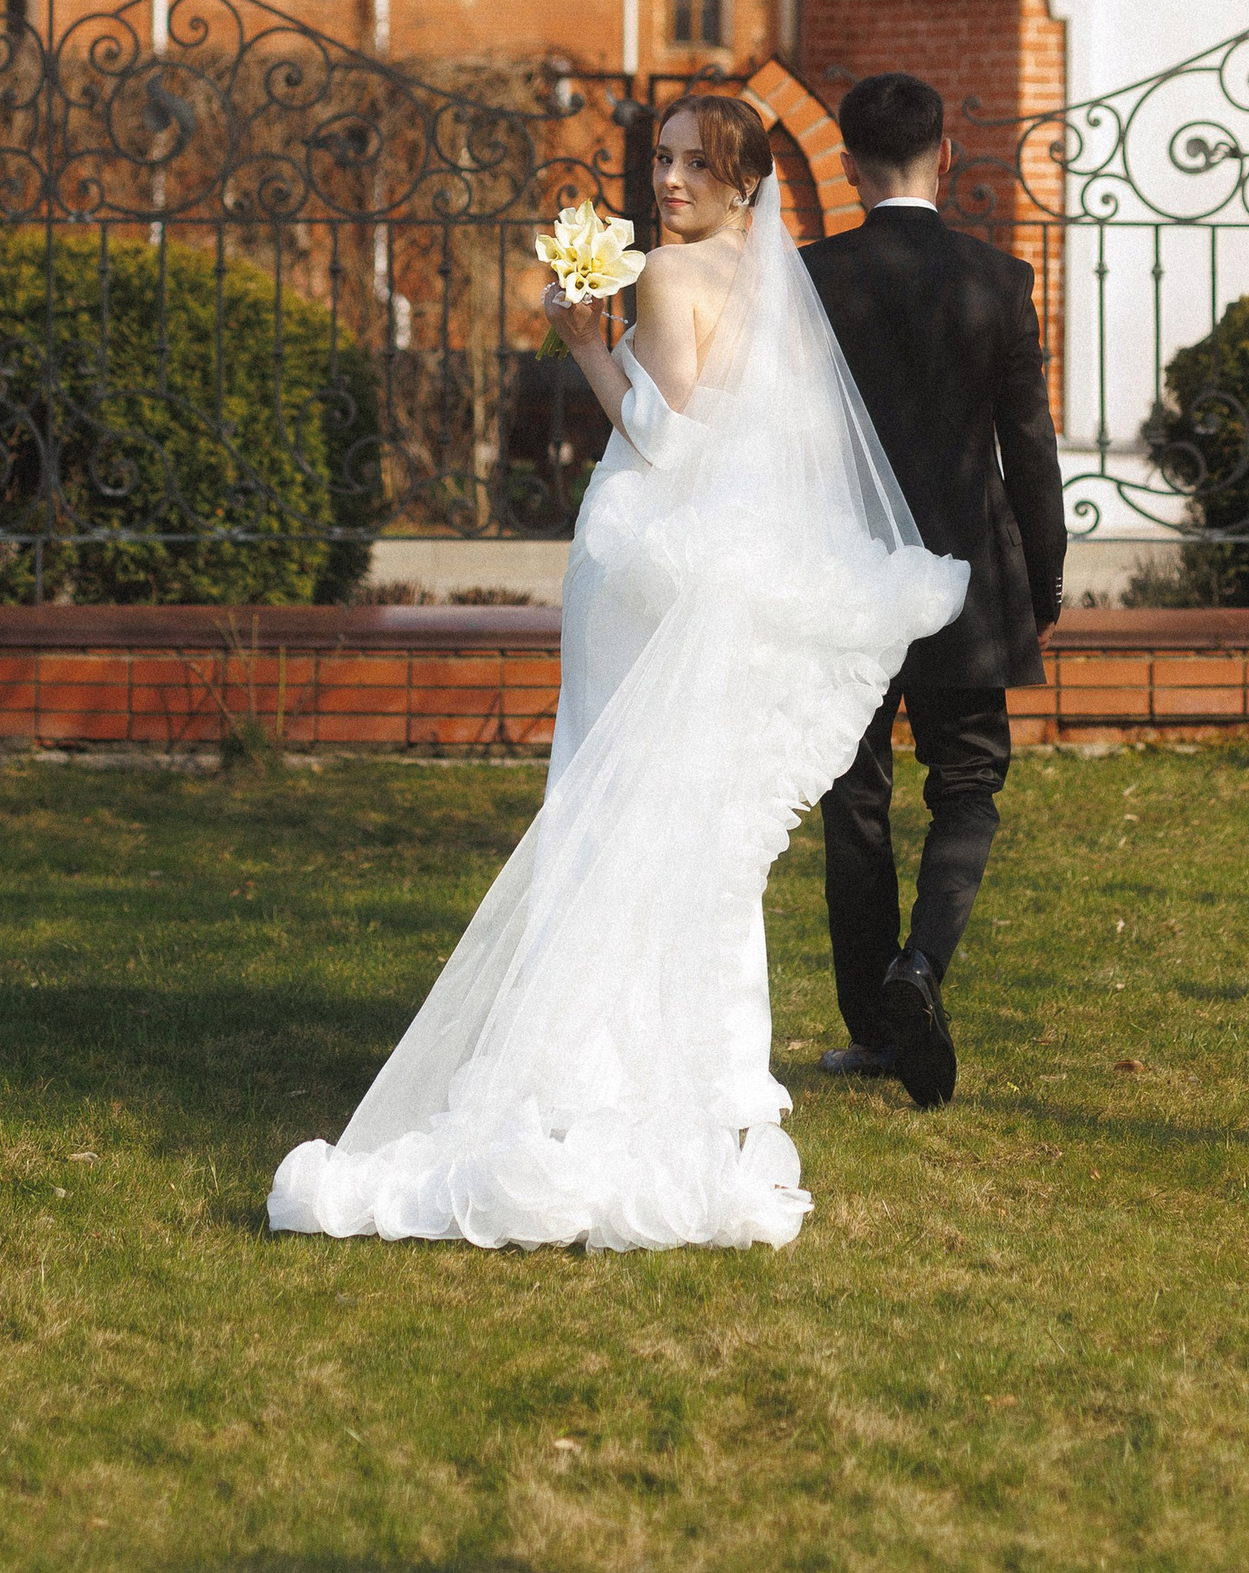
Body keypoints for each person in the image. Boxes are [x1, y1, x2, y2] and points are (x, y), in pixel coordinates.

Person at [265, 95, 965, 1253]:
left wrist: (588, 344)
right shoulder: (775, 276)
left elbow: (667, 436)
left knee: (601, 796)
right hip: (707, 567)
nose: (671, 181)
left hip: (642, 556)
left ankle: (579, 1067)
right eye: (663, 159)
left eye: (697, 163)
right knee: (685, 815)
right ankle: (715, 1072)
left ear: (744, 178)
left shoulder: (679, 276)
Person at [799, 71, 1066, 1108]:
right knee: (968, 785)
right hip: (966, 573)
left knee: (852, 791)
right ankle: (922, 965)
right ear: (943, 155)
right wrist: (1040, 579)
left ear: (850, 165)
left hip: (843, 574)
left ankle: (874, 1023)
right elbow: (1029, 447)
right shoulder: (996, 279)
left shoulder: (813, 278)